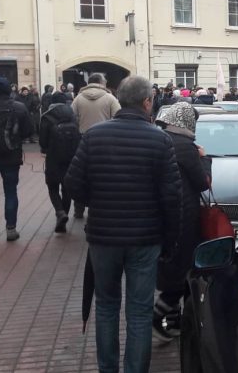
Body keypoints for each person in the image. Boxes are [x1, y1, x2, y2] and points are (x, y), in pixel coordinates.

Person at [64, 75, 183, 373]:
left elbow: (72, 186)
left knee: (105, 306)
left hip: (103, 237)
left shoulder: (94, 136)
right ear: (146, 102)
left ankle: (108, 369)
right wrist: (170, 241)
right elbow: (172, 198)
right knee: (140, 312)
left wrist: (99, 202)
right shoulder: (160, 139)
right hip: (145, 239)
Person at [154, 102, 211, 342]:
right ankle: (159, 316)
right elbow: (203, 183)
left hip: (160, 214)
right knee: (184, 267)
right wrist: (204, 158)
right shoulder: (186, 147)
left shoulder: (159, 140)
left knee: (173, 265)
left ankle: (174, 321)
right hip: (184, 214)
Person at [71, 73, 120, 218]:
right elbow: (118, 117)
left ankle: (78, 208)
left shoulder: (78, 98)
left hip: (83, 140)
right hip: (106, 142)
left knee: (82, 175)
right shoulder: (110, 98)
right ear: (100, 82)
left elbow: (71, 118)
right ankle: (101, 207)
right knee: (103, 176)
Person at [0, 77, 32, 240]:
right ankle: (11, 228)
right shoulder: (19, 107)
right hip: (11, 155)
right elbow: (28, 131)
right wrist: (16, 139)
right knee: (10, 191)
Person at [39, 91, 80, 233]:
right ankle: (64, 216)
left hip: (54, 157)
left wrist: (45, 149)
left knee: (52, 186)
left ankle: (59, 212)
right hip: (71, 156)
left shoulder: (47, 116)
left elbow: (42, 141)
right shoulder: (72, 114)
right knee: (66, 188)